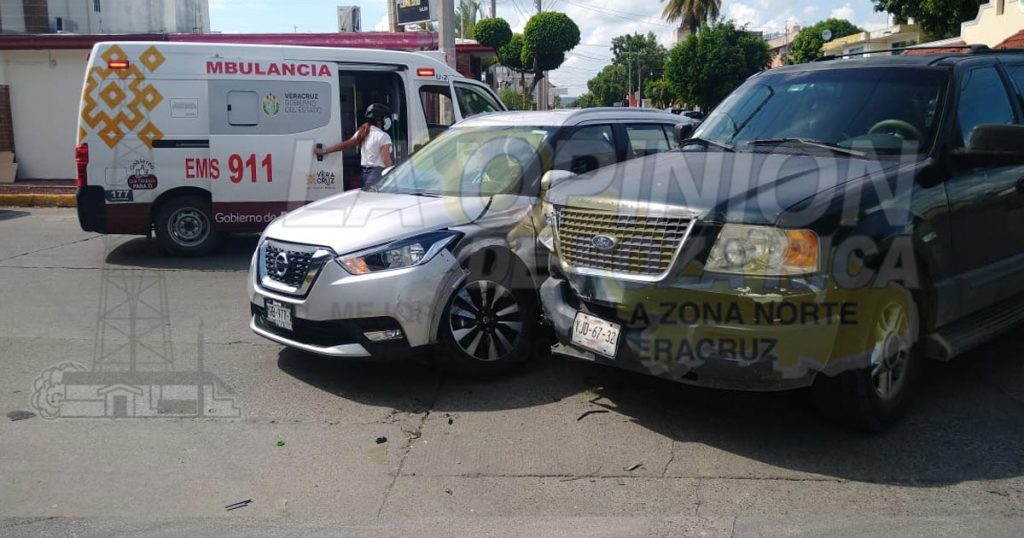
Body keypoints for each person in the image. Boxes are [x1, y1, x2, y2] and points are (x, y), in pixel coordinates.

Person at [315, 103, 394, 188]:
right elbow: (385, 159)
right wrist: (394, 175)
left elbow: (345, 145)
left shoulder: (362, 132)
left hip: (364, 175)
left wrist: (325, 151)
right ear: (380, 120)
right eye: (386, 118)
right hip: (377, 174)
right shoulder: (383, 136)